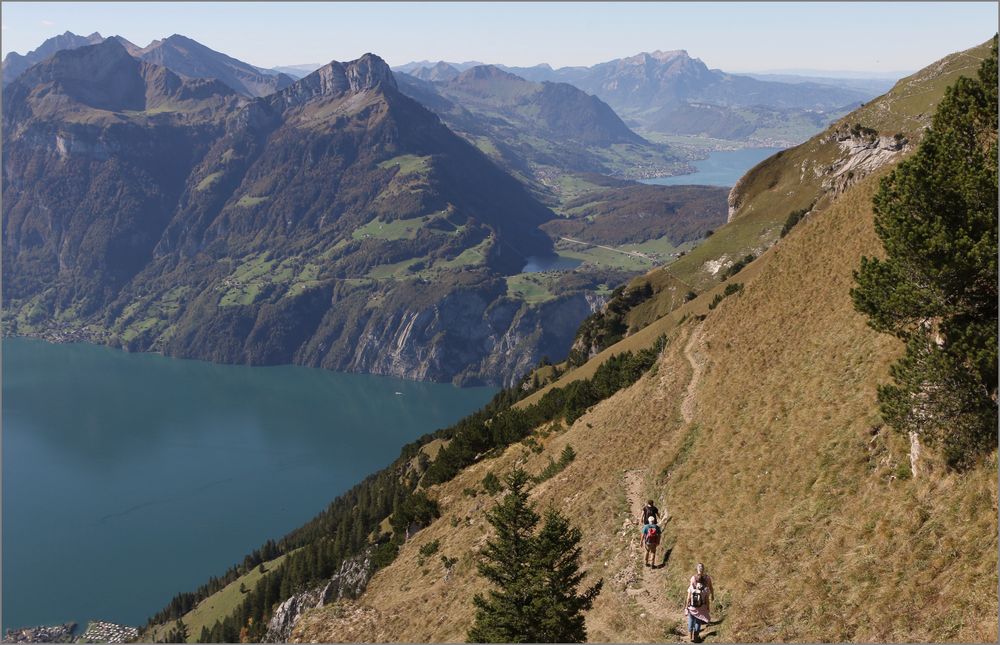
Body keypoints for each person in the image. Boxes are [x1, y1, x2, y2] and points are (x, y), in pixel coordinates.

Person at [684, 562, 715, 642]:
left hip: (692, 606)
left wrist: (686, 606)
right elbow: (707, 598)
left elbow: (688, 597)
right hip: (702, 606)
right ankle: (696, 636)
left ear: (697, 569)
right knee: (698, 621)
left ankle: (690, 636)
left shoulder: (692, 582)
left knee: (691, 620)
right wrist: (708, 607)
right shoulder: (706, 587)